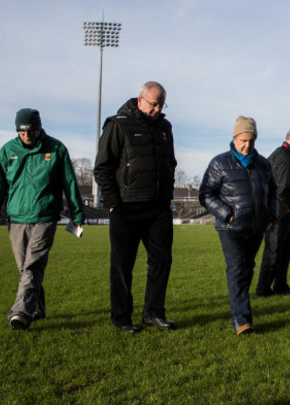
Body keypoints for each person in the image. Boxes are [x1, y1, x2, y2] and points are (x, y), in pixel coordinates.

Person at [0, 108, 85, 330]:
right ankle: (37, 307)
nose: (26, 136)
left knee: (33, 264)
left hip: (45, 217)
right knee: (25, 268)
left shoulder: (56, 149)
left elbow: (70, 184)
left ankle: (20, 311)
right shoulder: (6, 151)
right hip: (17, 218)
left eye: (30, 131)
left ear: (39, 128)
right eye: (21, 132)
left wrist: (77, 214)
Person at [94, 81, 177, 334]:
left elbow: (170, 164)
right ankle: (121, 318)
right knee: (122, 266)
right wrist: (114, 204)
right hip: (126, 208)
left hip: (158, 208)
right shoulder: (118, 124)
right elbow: (102, 168)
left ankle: (153, 312)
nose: (158, 109)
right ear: (140, 100)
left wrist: (167, 196)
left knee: (161, 262)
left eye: (162, 104)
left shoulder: (165, 127)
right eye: (154, 104)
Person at [199, 116, 278, 335]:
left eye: (251, 141)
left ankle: (240, 307)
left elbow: (273, 194)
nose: (247, 145)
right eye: (243, 140)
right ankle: (242, 320)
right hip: (230, 228)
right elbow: (205, 194)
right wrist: (227, 214)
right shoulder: (219, 163)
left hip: (256, 228)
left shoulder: (263, 164)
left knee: (247, 268)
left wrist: (271, 213)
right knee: (236, 270)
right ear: (234, 138)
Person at [256, 128, 290, 296]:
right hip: (279, 211)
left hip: (276, 209)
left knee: (286, 247)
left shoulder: (277, 154)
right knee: (275, 250)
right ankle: (263, 289)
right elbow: (283, 187)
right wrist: (287, 209)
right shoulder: (286, 158)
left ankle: (280, 284)